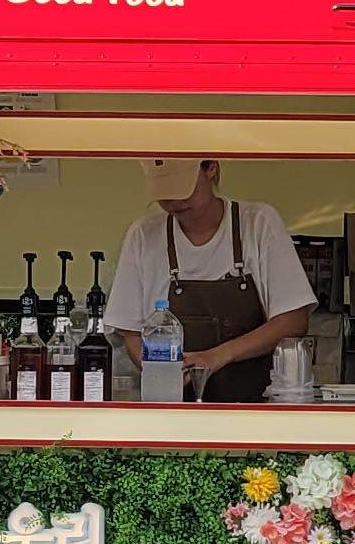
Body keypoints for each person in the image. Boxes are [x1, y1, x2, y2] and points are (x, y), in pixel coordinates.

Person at [107, 157, 316, 402]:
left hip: (254, 407)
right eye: (164, 194)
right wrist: (162, 376)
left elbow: (293, 321)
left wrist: (216, 356)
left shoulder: (258, 223)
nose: (174, 202)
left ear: (211, 168)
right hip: (172, 407)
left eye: (182, 190)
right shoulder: (143, 235)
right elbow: (131, 333)